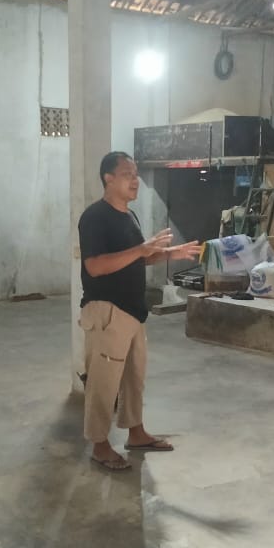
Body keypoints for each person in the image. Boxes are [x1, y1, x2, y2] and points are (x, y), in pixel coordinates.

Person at [78, 151, 202, 471]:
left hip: (133, 312)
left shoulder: (128, 215)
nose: (135, 181)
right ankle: (100, 445)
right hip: (107, 312)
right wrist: (140, 249)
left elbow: (138, 257)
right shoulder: (95, 217)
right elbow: (95, 266)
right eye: (127, 174)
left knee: (134, 379)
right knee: (103, 383)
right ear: (108, 179)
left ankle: (136, 433)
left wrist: (171, 252)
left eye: (135, 175)